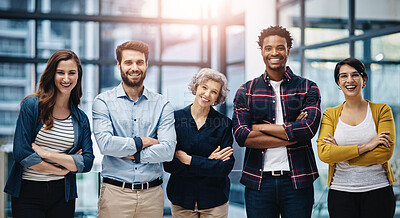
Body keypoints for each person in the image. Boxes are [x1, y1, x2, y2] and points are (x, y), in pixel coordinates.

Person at [232, 25, 322, 218]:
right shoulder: (246, 91)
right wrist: (293, 135)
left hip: (297, 181)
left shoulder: (308, 88)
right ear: (262, 52)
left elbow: (307, 128)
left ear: (288, 50)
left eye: (280, 47)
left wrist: (261, 128)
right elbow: (242, 136)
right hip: (259, 183)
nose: (274, 52)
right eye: (268, 48)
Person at [4, 49, 94, 218]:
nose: (66, 78)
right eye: (60, 72)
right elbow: (22, 154)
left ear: (78, 76)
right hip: (28, 194)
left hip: (63, 195)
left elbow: (87, 162)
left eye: (71, 73)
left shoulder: (81, 119)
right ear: (52, 74)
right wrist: (62, 168)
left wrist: (45, 153)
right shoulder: (31, 105)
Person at [92, 40, 177, 218]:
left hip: (152, 196)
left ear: (146, 64)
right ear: (119, 65)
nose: (134, 67)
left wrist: (132, 152)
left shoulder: (162, 104)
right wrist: (143, 142)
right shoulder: (103, 102)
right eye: (128, 62)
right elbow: (106, 145)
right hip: (115, 194)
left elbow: (168, 151)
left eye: (139, 62)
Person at [317, 57, 396, 218]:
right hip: (341, 193)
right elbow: (325, 154)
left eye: (355, 75)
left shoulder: (382, 111)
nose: (349, 80)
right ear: (338, 82)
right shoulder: (330, 115)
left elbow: (384, 154)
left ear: (364, 79)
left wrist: (341, 155)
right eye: (343, 76)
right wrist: (367, 146)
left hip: (378, 191)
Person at [164, 68, 234, 218]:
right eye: (204, 87)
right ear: (196, 87)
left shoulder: (224, 124)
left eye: (214, 92)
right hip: (182, 199)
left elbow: (224, 168)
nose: (207, 94)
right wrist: (208, 162)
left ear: (218, 97)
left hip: (215, 201)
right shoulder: (174, 120)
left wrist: (189, 160)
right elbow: (169, 164)